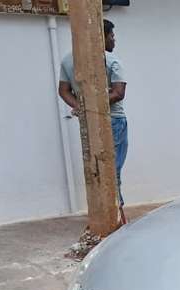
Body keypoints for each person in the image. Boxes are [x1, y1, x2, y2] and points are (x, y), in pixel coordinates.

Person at [58, 19, 128, 215]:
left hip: (88, 123)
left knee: (96, 169)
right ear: (101, 37)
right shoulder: (112, 61)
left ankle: (106, 213)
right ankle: (115, 213)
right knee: (112, 170)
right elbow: (119, 93)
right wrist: (89, 106)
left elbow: (63, 91)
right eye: (111, 36)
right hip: (114, 121)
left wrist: (81, 107)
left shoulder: (68, 60)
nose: (114, 40)